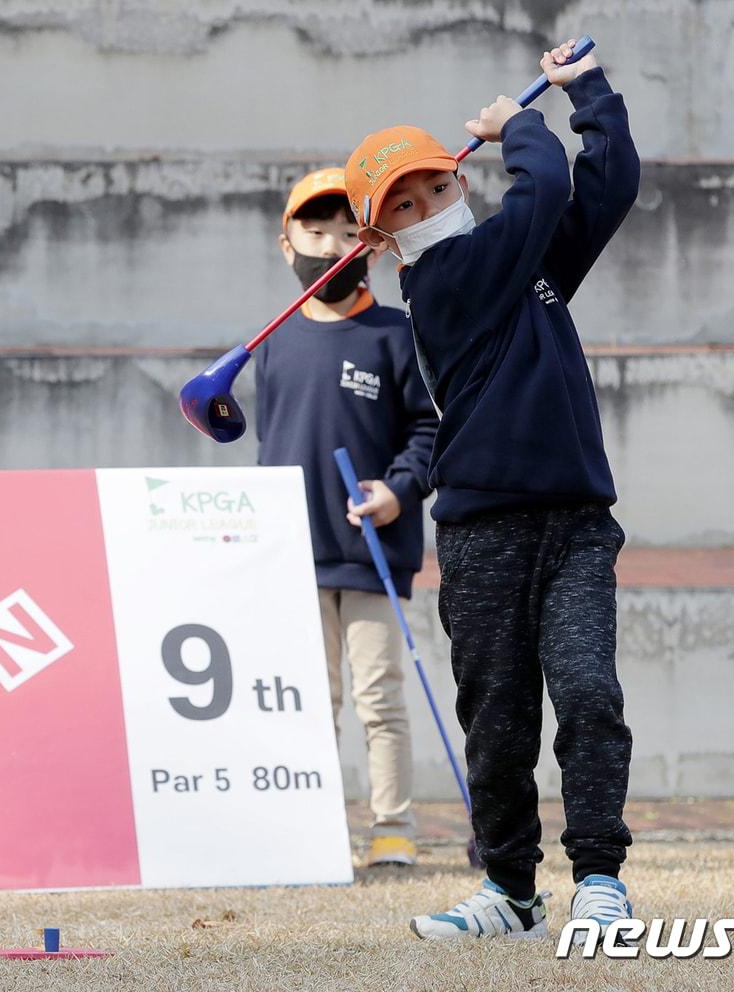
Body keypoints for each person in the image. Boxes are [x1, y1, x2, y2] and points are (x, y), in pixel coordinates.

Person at [343, 40, 639, 938]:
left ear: (459, 184)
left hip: (577, 524)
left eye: (435, 185)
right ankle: (510, 889)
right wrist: (520, 124)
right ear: (380, 238)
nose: (429, 204)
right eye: (403, 204)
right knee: (499, 722)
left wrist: (586, 92)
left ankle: (599, 878)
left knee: (589, 695)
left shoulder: (525, 264)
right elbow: (543, 188)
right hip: (481, 536)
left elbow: (607, 187)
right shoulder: (441, 282)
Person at [255, 167, 438, 867]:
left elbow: (429, 432)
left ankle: (393, 827)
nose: (329, 247)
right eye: (314, 231)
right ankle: (314, 831)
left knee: (378, 696)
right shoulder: (271, 342)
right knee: (310, 701)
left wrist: (397, 490)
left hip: (370, 553)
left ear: (369, 243)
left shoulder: (394, 334)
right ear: (286, 243)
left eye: (344, 234)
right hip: (293, 559)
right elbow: (269, 442)